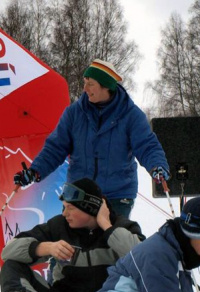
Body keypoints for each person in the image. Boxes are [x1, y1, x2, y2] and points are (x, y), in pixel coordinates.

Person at [13, 59, 170, 218]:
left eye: (91, 84)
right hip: (78, 194)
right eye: (85, 82)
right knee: (72, 242)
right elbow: (55, 148)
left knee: (114, 240)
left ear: (106, 86)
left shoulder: (131, 115)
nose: (85, 88)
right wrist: (35, 171)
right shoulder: (74, 113)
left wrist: (157, 166)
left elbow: (147, 146)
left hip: (117, 196)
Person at [0, 178, 144, 292]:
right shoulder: (58, 226)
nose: (64, 213)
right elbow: (8, 252)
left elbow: (144, 261)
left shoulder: (124, 227)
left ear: (90, 209)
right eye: (64, 206)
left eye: (70, 208)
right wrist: (46, 247)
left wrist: (107, 226)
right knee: (12, 265)